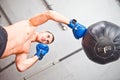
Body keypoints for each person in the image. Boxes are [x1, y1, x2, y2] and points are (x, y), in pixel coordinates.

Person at [0, 10, 86, 72]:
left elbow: (21, 67)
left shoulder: (25, 50)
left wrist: (38, 55)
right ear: (43, 32)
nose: (46, 39)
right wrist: (74, 25)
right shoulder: (31, 24)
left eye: (47, 41)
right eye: (47, 36)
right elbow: (49, 14)